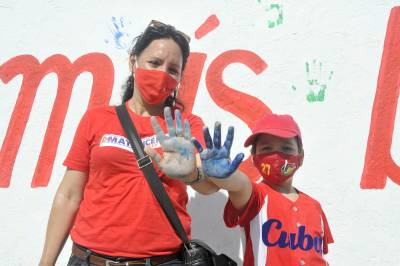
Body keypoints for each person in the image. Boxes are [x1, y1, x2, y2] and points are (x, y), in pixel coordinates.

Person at [39, 20, 219, 266]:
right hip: (89, 260)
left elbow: (209, 186)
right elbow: (69, 195)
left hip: (162, 261)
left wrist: (191, 176)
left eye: (173, 69)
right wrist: (46, 262)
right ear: (133, 62)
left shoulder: (185, 125)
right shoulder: (97, 119)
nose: (162, 74)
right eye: (154, 63)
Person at [192, 113, 334, 266]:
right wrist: (224, 175)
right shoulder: (256, 196)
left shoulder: (315, 207)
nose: (276, 155)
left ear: (301, 156)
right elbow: (240, 185)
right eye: (267, 149)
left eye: (286, 148)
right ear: (254, 157)